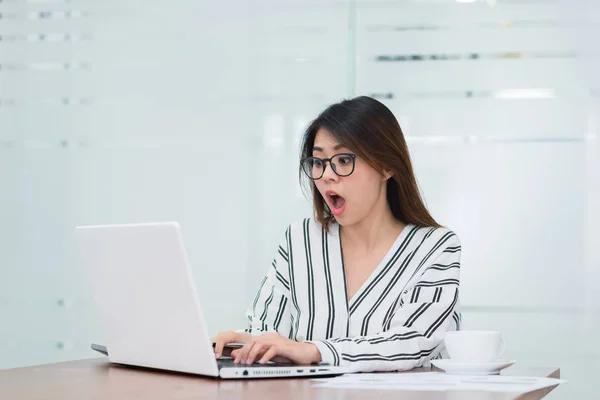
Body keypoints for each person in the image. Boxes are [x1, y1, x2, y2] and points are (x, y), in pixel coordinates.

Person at [212, 96, 461, 373]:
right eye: (318, 162)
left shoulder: (435, 247)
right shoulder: (300, 240)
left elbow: (415, 340)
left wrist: (315, 351)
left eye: (343, 160)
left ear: (388, 166)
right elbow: (269, 332)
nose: (327, 175)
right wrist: (242, 342)